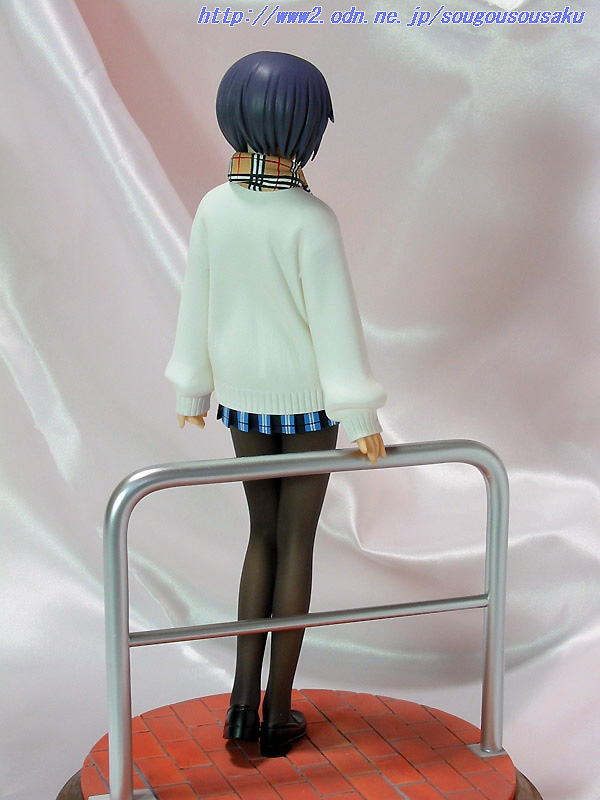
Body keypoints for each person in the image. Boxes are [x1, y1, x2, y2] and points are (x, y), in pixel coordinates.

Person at [165, 51, 386, 757]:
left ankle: (240, 703)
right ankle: (278, 709)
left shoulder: (213, 207)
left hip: (244, 400)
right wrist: (359, 412)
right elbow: (335, 324)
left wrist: (192, 385)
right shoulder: (311, 219)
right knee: (296, 541)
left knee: (259, 535)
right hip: (308, 402)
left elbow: (196, 301)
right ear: (306, 127)